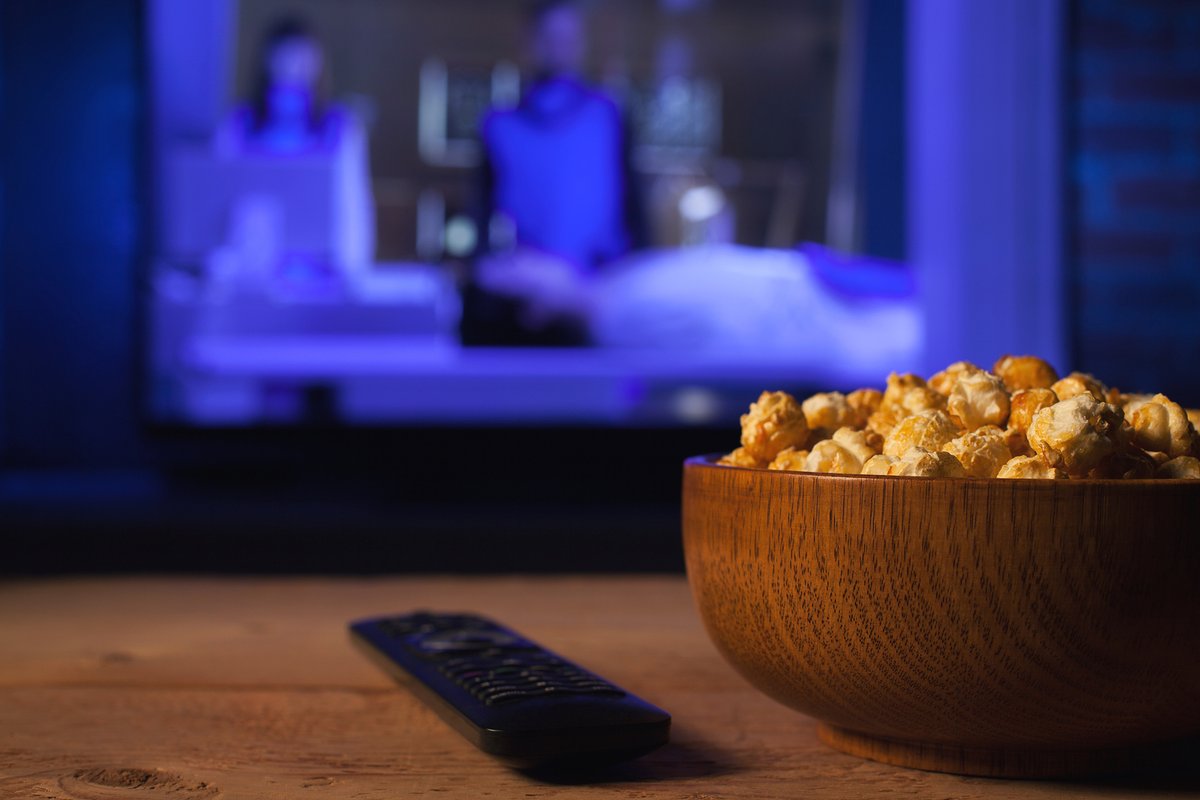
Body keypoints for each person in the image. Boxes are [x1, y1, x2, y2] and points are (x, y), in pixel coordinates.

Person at [462, 0, 644, 345]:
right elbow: (481, 219)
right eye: (550, 36)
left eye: (568, 37)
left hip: (601, 295)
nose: (560, 46)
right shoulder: (501, 125)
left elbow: (636, 209)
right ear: (529, 42)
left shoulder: (609, 116)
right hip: (527, 300)